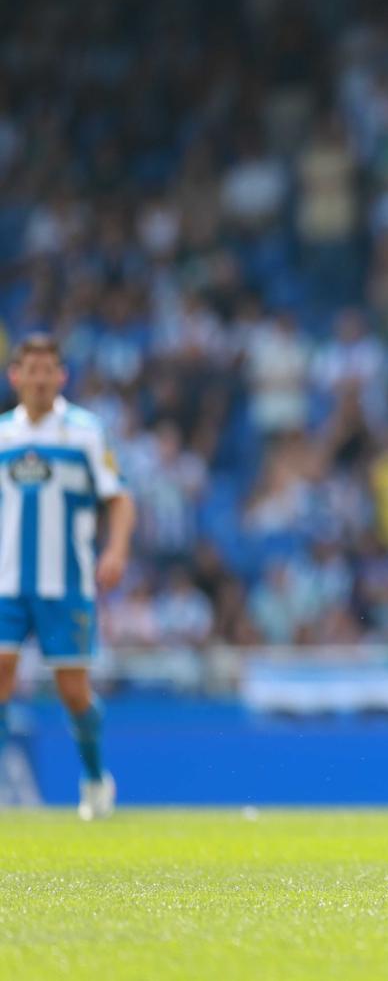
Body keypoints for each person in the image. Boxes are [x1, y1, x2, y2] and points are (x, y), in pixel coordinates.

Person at [0, 335, 135, 819]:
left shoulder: (84, 432)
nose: (38, 379)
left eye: (47, 370)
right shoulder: (2, 436)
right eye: (30, 370)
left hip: (67, 582)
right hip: (6, 584)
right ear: (15, 376)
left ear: (62, 376)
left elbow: (118, 497)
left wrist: (116, 550)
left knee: (73, 691)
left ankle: (96, 778)